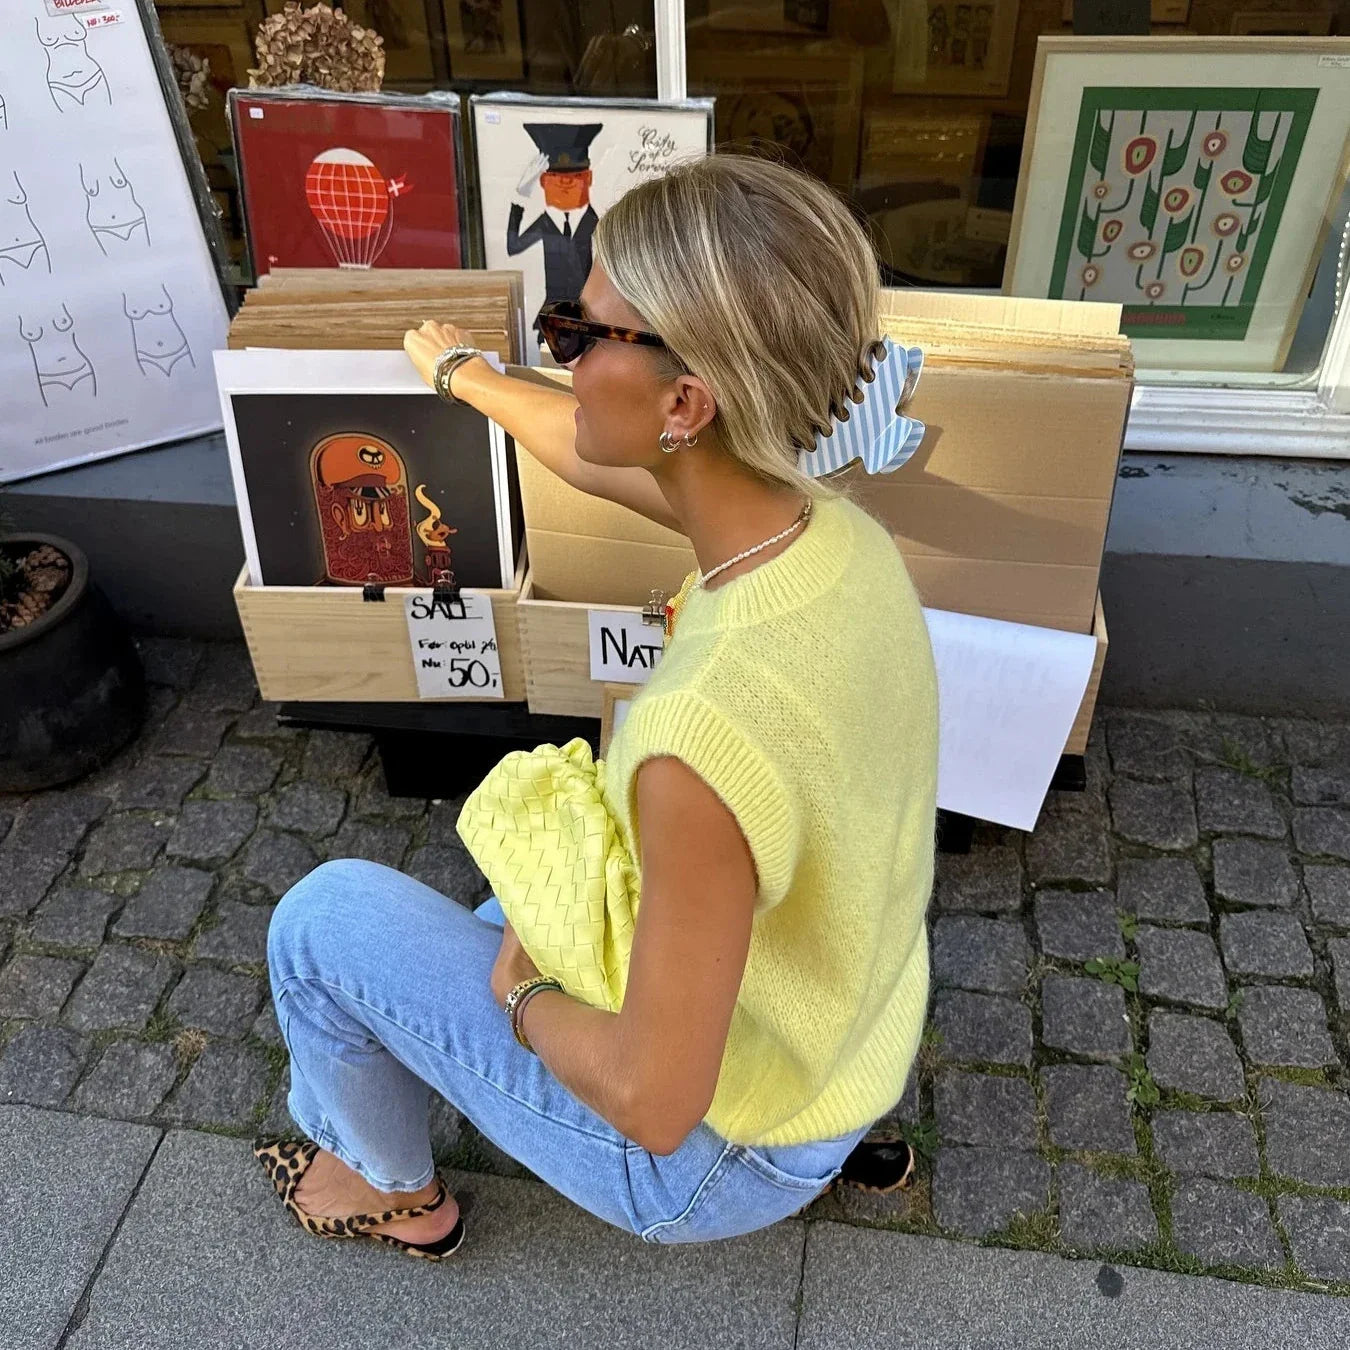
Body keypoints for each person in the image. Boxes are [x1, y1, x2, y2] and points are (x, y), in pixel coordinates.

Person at [255, 154, 938, 1259]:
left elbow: (654, 1099)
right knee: (516, 894)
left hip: (709, 1158)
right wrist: (467, 374)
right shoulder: (834, 534)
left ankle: (386, 1189)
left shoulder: (697, 743)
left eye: (577, 336)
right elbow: (597, 459)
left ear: (686, 402)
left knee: (324, 922)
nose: (557, 357)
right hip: (848, 1035)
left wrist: (523, 995)